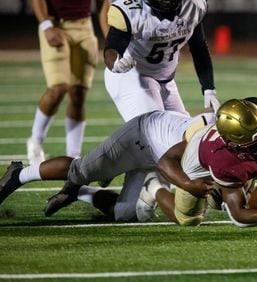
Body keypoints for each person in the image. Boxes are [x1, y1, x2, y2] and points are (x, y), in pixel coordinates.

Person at [138, 98, 257, 227]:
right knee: (188, 219)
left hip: (226, 155)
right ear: (233, 143)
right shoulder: (224, 158)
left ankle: (220, 196)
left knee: (233, 196)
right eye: (255, 141)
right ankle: (153, 187)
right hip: (199, 166)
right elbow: (238, 215)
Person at [0, 110, 215, 221]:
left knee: (129, 213)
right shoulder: (205, 130)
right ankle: (20, 174)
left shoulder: (231, 142)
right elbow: (168, 161)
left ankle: (80, 193)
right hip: (141, 138)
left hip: (161, 155)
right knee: (79, 171)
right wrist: (189, 183)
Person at [103, 0, 220, 122]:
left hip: (166, 81)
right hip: (132, 76)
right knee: (156, 129)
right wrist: (116, 62)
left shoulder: (193, 6)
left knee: (184, 134)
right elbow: (111, 49)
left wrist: (209, 88)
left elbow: (199, 47)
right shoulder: (132, 10)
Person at [27, 0, 110, 165]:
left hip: (85, 26)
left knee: (79, 94)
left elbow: (103, 4)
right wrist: (45, 25)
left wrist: (111, 38)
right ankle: (35, 141)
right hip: (55, 24)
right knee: (58, 87)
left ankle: (73, 156)